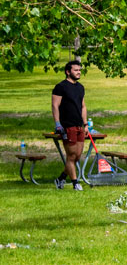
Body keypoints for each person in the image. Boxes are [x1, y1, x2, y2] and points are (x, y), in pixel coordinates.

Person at [52, 60, 87, 190]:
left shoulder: (80, 87)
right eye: (76, 70)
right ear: (68, 71)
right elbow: (55, 105)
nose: (79, 72)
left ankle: (61, 178)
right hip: (67, 126)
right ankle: (75, 183)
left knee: (77, 156)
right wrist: (57, 124)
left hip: (79, 126)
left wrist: (85, 124)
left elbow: (83, 106)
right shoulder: (61, 87)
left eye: (80, 70)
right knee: (71, 156)